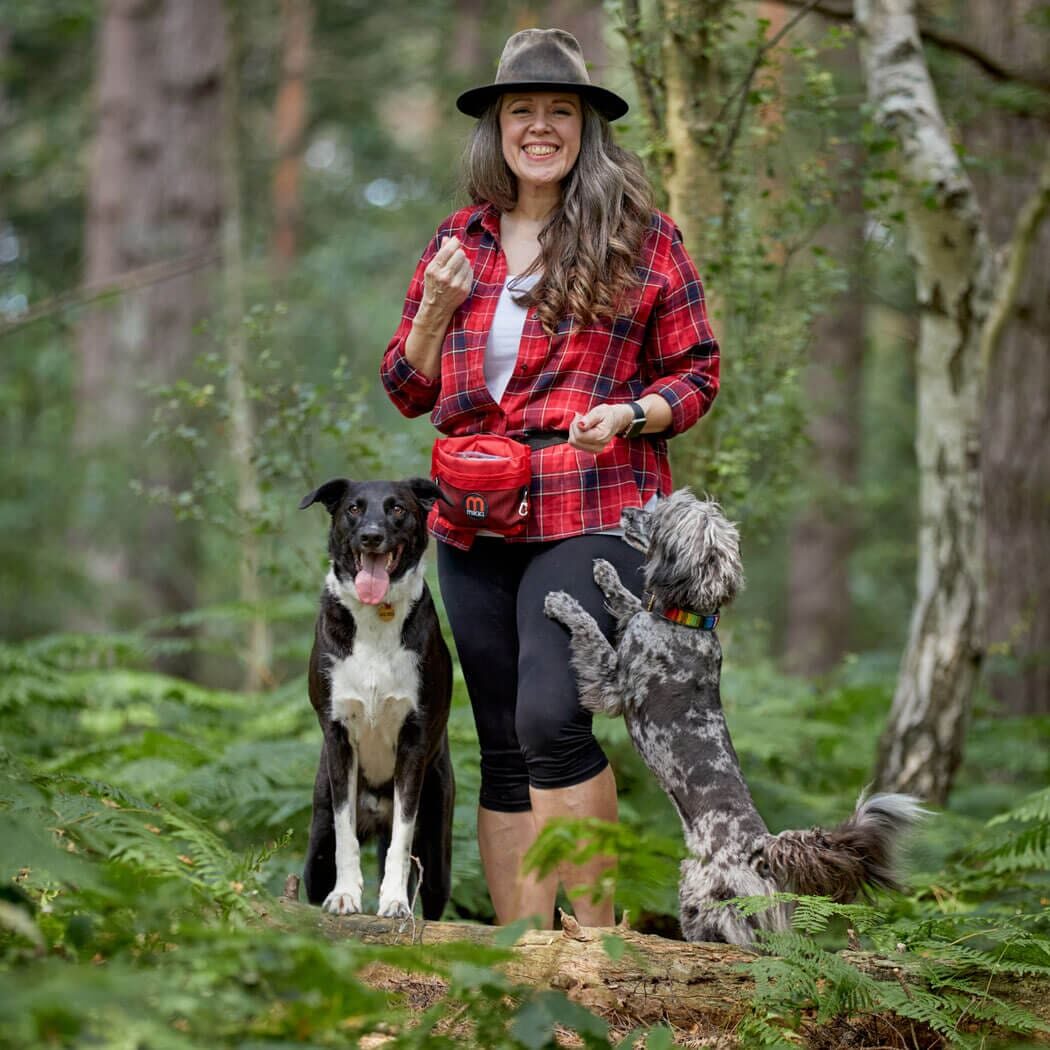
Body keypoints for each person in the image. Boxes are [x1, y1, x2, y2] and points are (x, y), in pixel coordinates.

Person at [380, 27, 719, 927]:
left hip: (595, 504)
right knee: (498, 739)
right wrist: (434, 314)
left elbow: (698, 373)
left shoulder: (642, 239)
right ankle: (524, 961)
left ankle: (599, 952)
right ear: (495, 127)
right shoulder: (459, 241)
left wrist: (632, 414)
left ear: (585, 128)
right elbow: (406, 387)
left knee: (550, 716)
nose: (539, 127)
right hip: (473, 516)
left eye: (558, 111)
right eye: (520, 110)